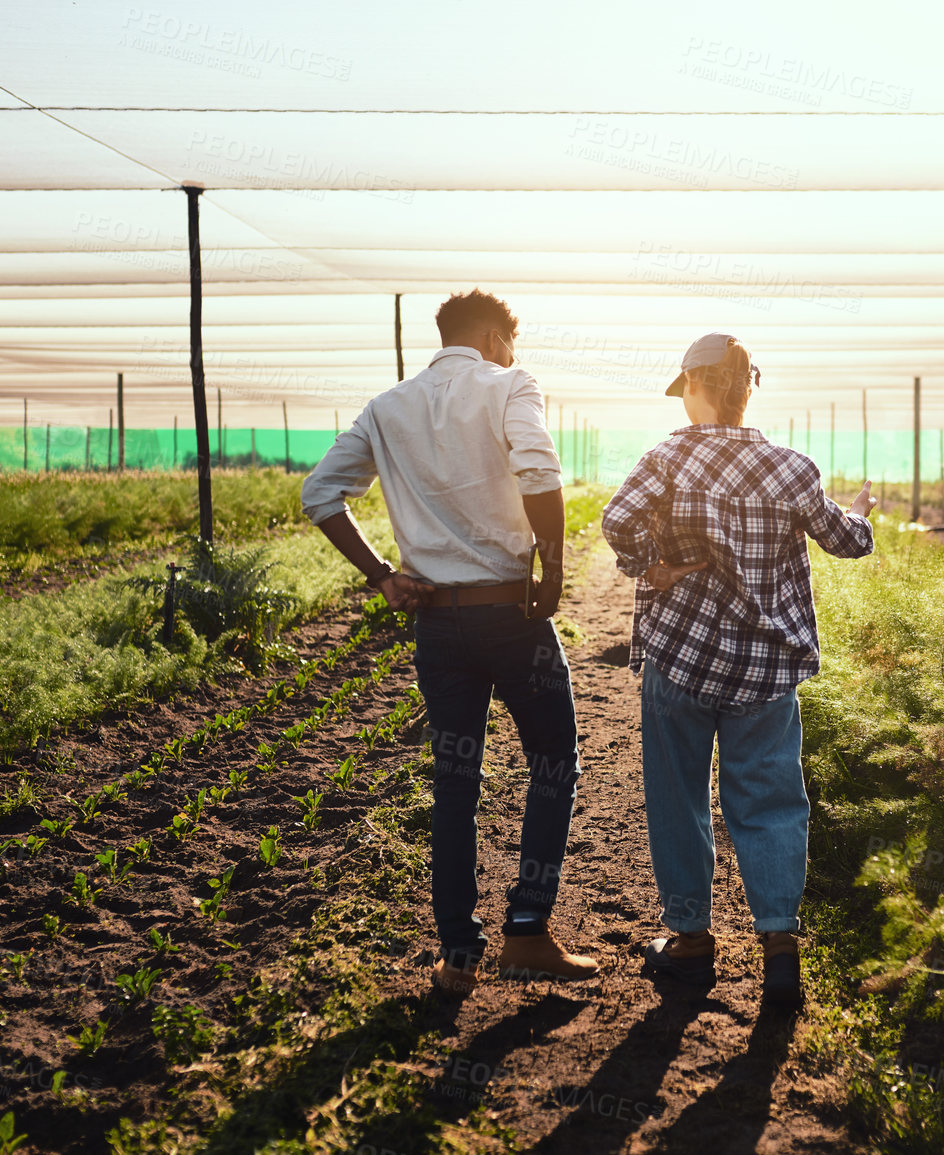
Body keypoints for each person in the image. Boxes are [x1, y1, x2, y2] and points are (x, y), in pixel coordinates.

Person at [301, 289, 597, 997]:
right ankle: (527, 928)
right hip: (510, 613)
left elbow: (320, 493)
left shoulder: (387, 407)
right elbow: (538, 471)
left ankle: (456, 957)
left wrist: (380, 577)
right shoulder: (509, 384)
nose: (513, 355)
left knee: (455, 785)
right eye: (511, 343)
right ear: (495, 336)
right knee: (553, 760)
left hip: (437, 623)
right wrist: (551, 574)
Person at [600, 332, 874, 1009]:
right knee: (771, 801)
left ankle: (690, 944)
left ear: (693, 387)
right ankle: (779, 945)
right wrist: (863, 510)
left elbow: (616, 522)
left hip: (680, 657)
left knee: (679, 799)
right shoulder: (791, 468)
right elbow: (846, 542)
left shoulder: (665, 458)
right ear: (747, 389)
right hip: (765, 666)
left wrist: (648, 562)